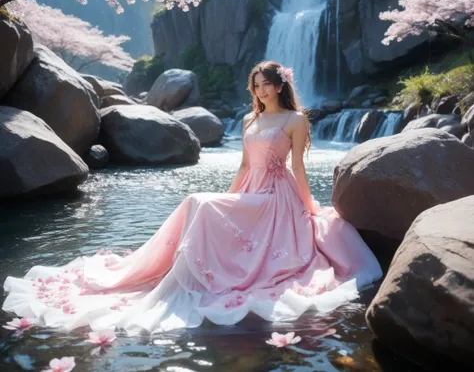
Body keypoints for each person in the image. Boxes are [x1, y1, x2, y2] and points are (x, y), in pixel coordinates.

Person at [2, 61, 382, 336]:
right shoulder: (250, 121)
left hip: (278, 198)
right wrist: (229, 200)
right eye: (255, 85)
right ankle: (178, 270)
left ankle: (196, 275)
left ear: (280, 85)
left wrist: (310, 205)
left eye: (266, 84)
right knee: (201, 201)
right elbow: (244, 165)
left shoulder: (294, 121)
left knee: (198, 202)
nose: (260, 90)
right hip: (251, 191)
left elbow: (297, 167)